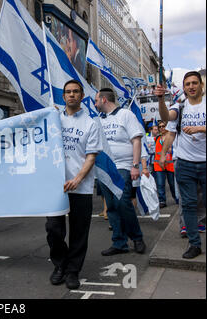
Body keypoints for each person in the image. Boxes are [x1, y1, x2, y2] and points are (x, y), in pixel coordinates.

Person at [46, 80, 102, 289]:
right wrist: (47, 116)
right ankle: (59, 264)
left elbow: (91, 156)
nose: (71, 95)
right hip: (56, 186)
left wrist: (78, 178)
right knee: (53, 229)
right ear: (63, 96)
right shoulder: (53, 119)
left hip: (81, 186)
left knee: (79, 232)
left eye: (75, 92)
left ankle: (72, 271)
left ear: (81, 95)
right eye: (68, 92)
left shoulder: (90, 123)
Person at [155, 71, 205, 259]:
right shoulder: (180, 107)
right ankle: (194, 244)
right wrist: (160, 100)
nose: (191, 86)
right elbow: (168, 121)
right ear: (183, 88)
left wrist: (200, 128)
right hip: (185, 164)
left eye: (194, 83)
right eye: (187, 84)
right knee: (189, 205)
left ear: (201, 85)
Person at [95, 88, 146, 256]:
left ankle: (137, 237)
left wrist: (135, 165)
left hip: (123, 166)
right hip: (106, 168)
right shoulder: (100, 120)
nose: (95, 104)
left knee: (123, 202)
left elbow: (136, 140)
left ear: (103, 100)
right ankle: (119, 242)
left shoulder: (125, 115)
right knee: (111, 206)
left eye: (96, 100)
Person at [153, 121, 177, 208]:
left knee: (172, 184)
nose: (162, 128)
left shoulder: (172, 137)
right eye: (160, 127)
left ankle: (177, 198)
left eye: (163, 126)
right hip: (159, 165)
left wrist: (172, 150)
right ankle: (162, 201)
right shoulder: (156, 138)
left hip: (170, 165)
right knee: (160, 184)